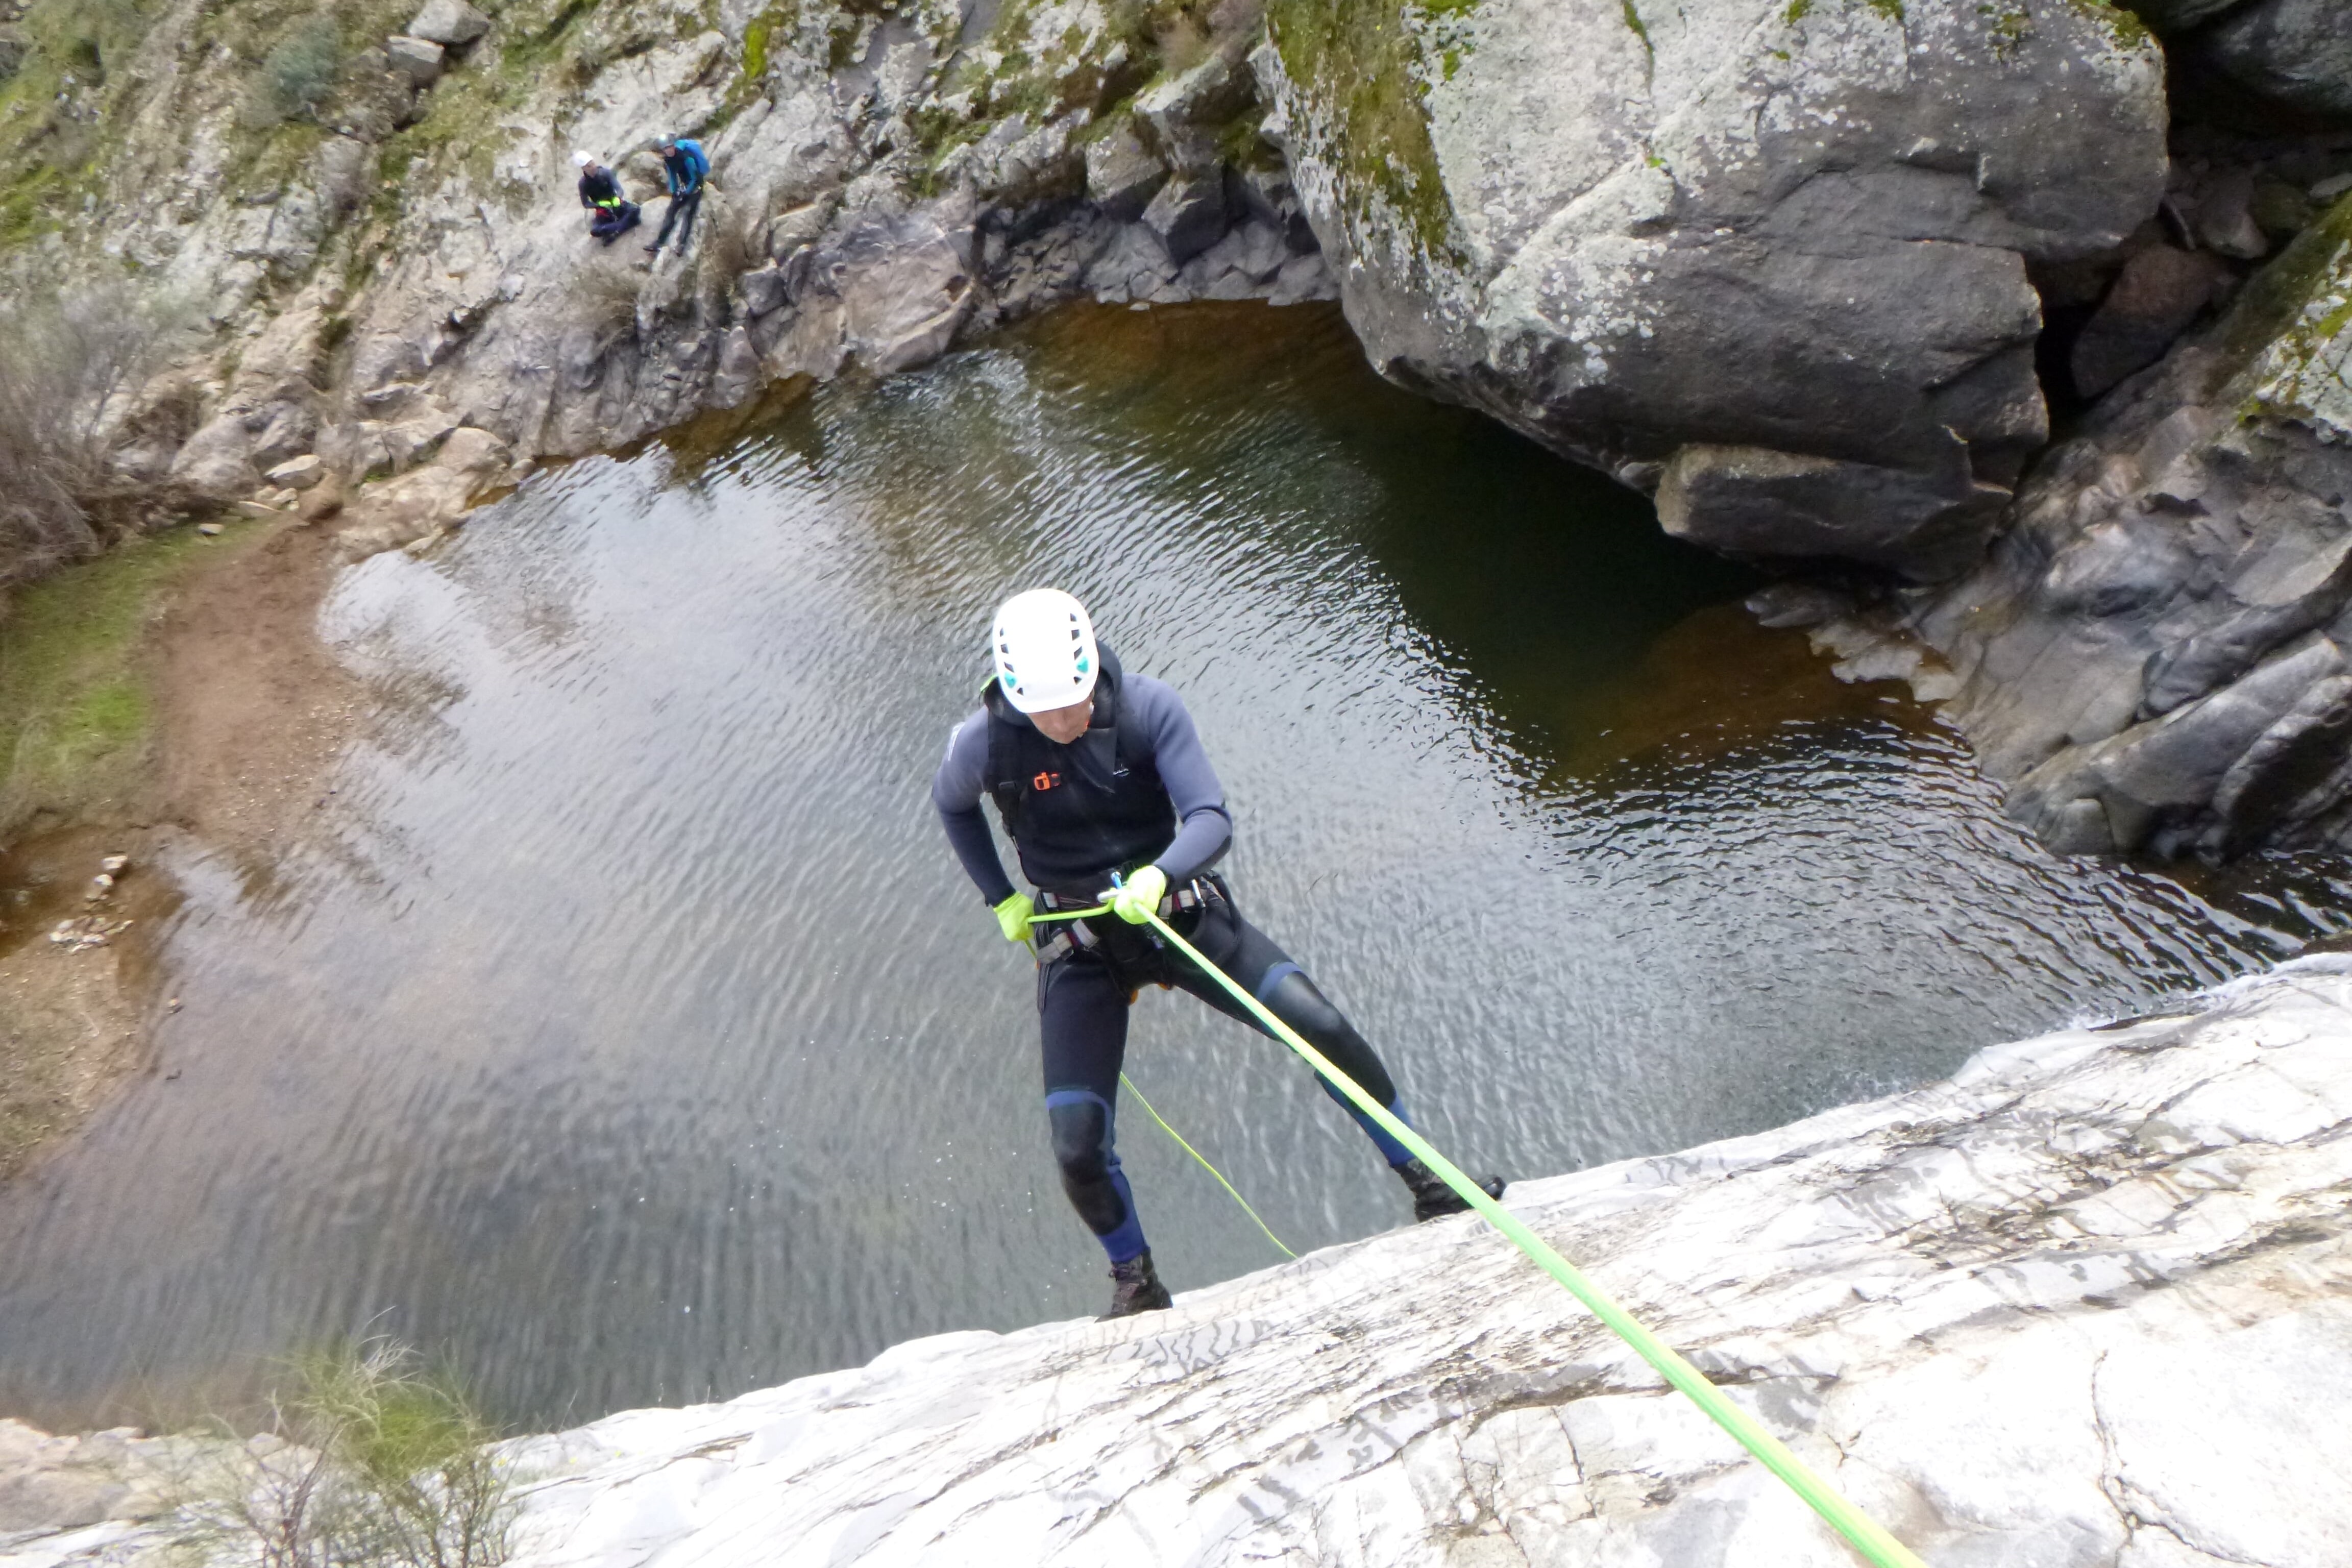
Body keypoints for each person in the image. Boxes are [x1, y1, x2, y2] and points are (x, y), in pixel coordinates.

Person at [932, 589, 1505, 1319]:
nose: (1063, 722)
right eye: (1045, 713)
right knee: (1077, 1142)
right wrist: (1001, 899)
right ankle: (1136, 1284)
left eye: (1073, 704)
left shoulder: (1147, 709)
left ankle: (1429, 1179)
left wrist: (1160, 873)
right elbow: (951, 804)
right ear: (1014, 697)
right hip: (1082, 943)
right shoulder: (983, 744)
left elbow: (1211, 817)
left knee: (1320, 1028)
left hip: (1181, 911)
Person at [645, 134, 708, 258]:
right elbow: (673, 176)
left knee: (687, 212)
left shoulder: (686, 157)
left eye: (670, 147)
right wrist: (675, 192)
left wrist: (687, 192)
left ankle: (682, 244)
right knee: (671, 211)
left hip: (696, 187)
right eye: (666, 148)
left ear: (674, 146)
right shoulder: (668, 160)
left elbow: (695, 178)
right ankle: (659, 242)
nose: (669, 150)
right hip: (685, 186)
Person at [575, 153, 639, 244]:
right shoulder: (583, 183)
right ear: (584, 169)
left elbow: (619, 189)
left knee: (636, 209)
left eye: (593, 163)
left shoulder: (606, 173)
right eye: (589, 166)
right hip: (604, 211)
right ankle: (627, 223)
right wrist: (598, 205)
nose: (593, 167)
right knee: (595, 231)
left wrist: (617, 198)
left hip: (616, 204)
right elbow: (586, 204)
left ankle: (616, 232)